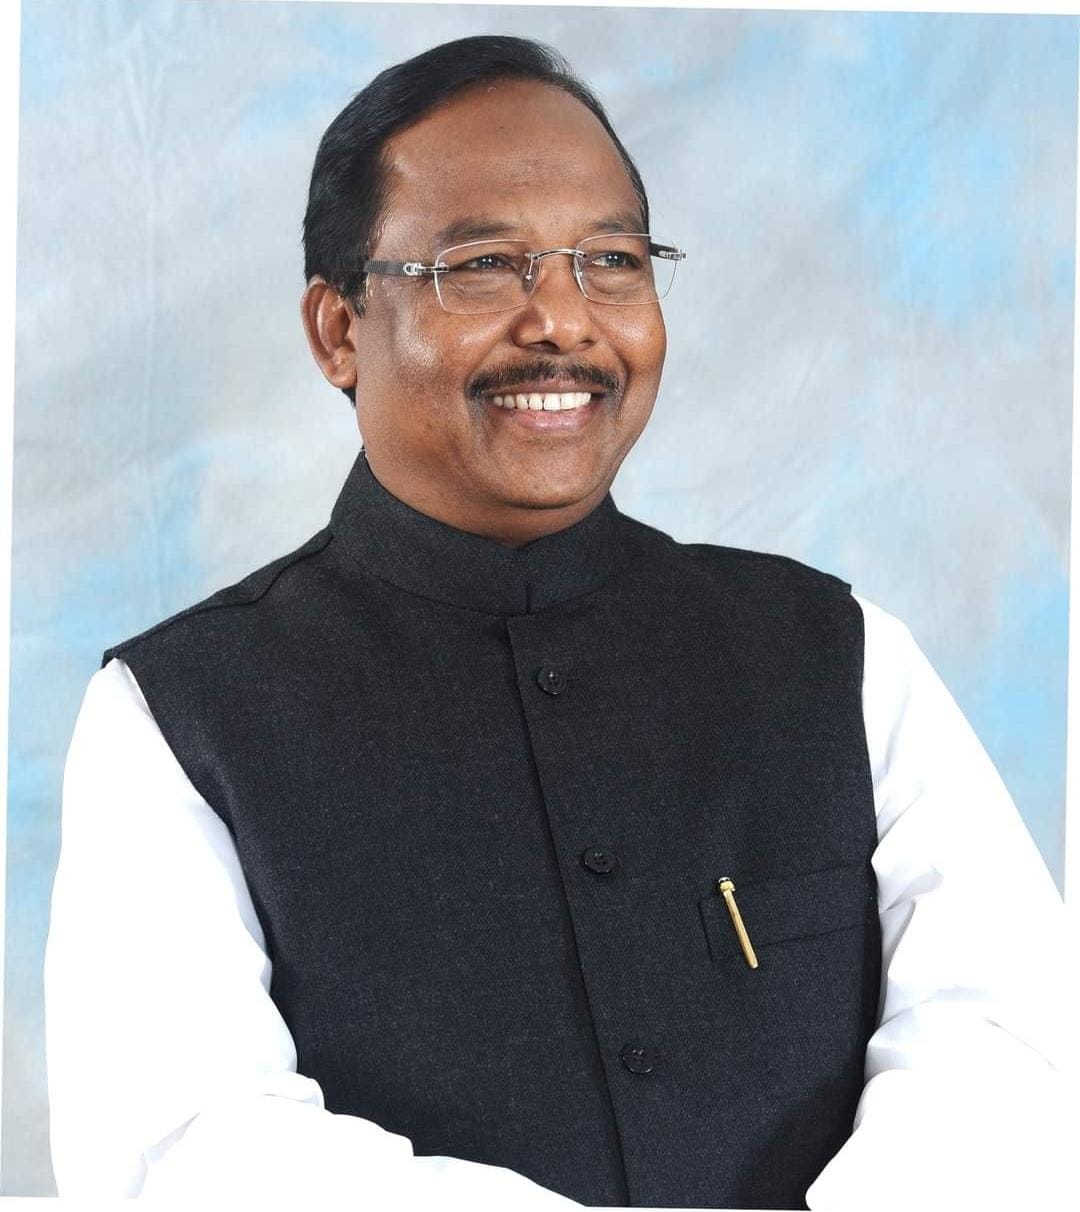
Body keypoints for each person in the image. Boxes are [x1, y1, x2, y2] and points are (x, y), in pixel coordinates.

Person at [45, 34, 1072, 1210]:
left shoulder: (838, 651)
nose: (564, 322)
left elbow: (1009, 1031)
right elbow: (182, 1144)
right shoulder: (178, 714)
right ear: (337, 331)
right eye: (485, 265)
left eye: (611, 262)